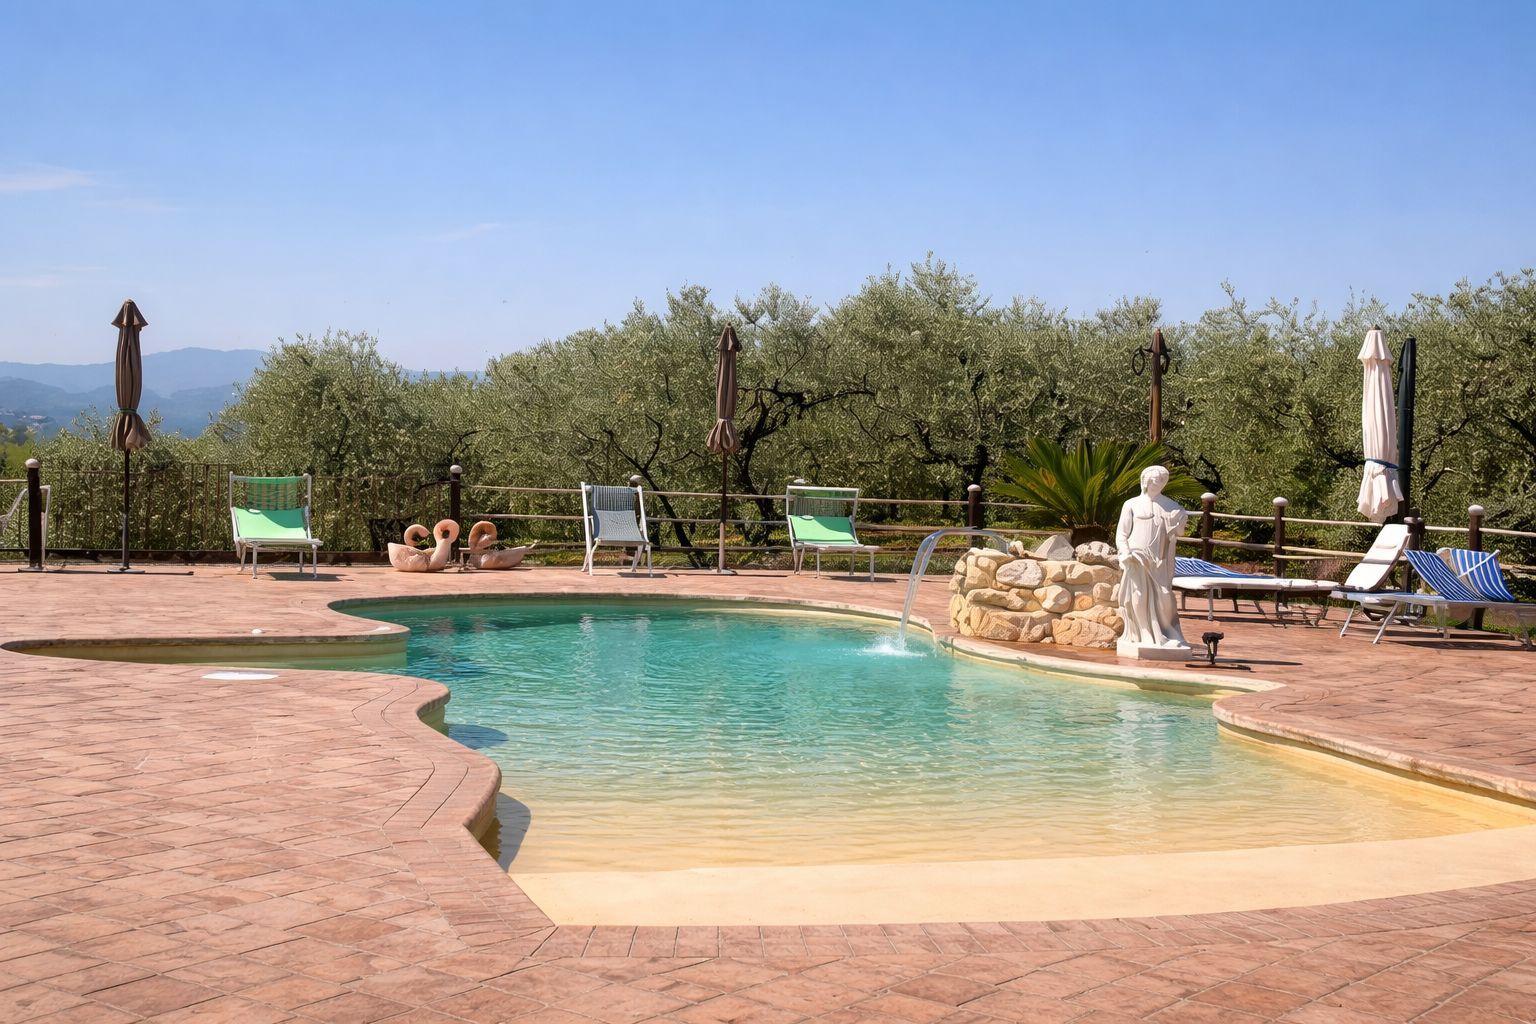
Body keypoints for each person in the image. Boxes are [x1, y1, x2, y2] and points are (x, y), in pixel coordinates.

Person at [1116, 465, 1190, 652]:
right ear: (1145, 481)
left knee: (1165, 596)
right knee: (1138, 595)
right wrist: (1125, 553)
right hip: (1136, 556)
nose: (1156, 483)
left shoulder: (1172, 506)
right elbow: (1122, 534)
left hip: (1160, 560)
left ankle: (1167, 630)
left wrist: (1179, 520)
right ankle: (1144, 632)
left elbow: (1178, 532)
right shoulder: (1131, 504)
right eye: (1153, 479)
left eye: (1161, 480)